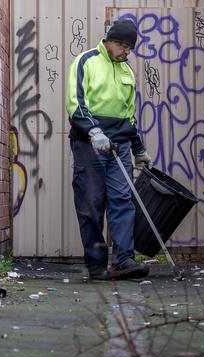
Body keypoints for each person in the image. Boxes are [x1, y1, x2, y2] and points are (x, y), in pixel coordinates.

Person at [65, 19, 153, 281]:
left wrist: (139, 149)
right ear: (111, 42)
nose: (128, 52)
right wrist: (93, 131)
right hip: (90, 145)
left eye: (130, 48)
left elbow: (129, 116)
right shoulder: (86, 61)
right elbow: (75, 102)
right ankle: (96, 266)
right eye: (125, 46)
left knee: (122, 201)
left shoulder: (127, 71)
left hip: (119, 146)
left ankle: (124, 260)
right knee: (91, 205)